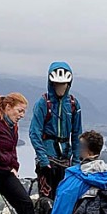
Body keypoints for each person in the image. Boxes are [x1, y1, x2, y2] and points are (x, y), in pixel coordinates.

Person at [29, 62, 82, 200]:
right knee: (47, 198)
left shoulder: (73, 104)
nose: (61, 88)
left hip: (65, 157)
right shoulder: (43, 103)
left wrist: (76, 160)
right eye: (58, 84)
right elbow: (35, 132)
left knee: (65, 197)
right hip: (48, 156)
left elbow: (77, 134)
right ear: (51, 84)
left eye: (64, 84)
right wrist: (42, 158)